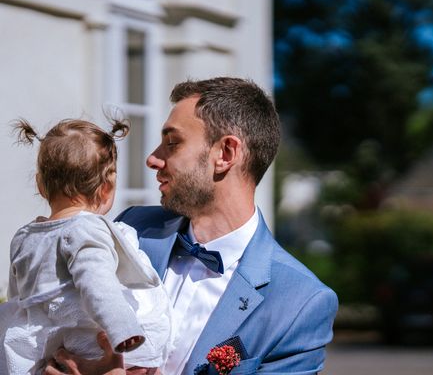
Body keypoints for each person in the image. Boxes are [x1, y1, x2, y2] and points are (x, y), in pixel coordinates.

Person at [45, 77, 339, 375]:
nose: (152, 159)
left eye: (172, 143)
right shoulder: (130, 229)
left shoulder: (300, 303)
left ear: (225, 154)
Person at [1, 118, 172, 374]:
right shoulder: (86, 228)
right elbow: (98, 282)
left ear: (40, 185)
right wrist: (123, 331)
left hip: (40, 343)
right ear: (106, 189)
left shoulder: (24, 236)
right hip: (92, 340)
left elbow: (18, 297)